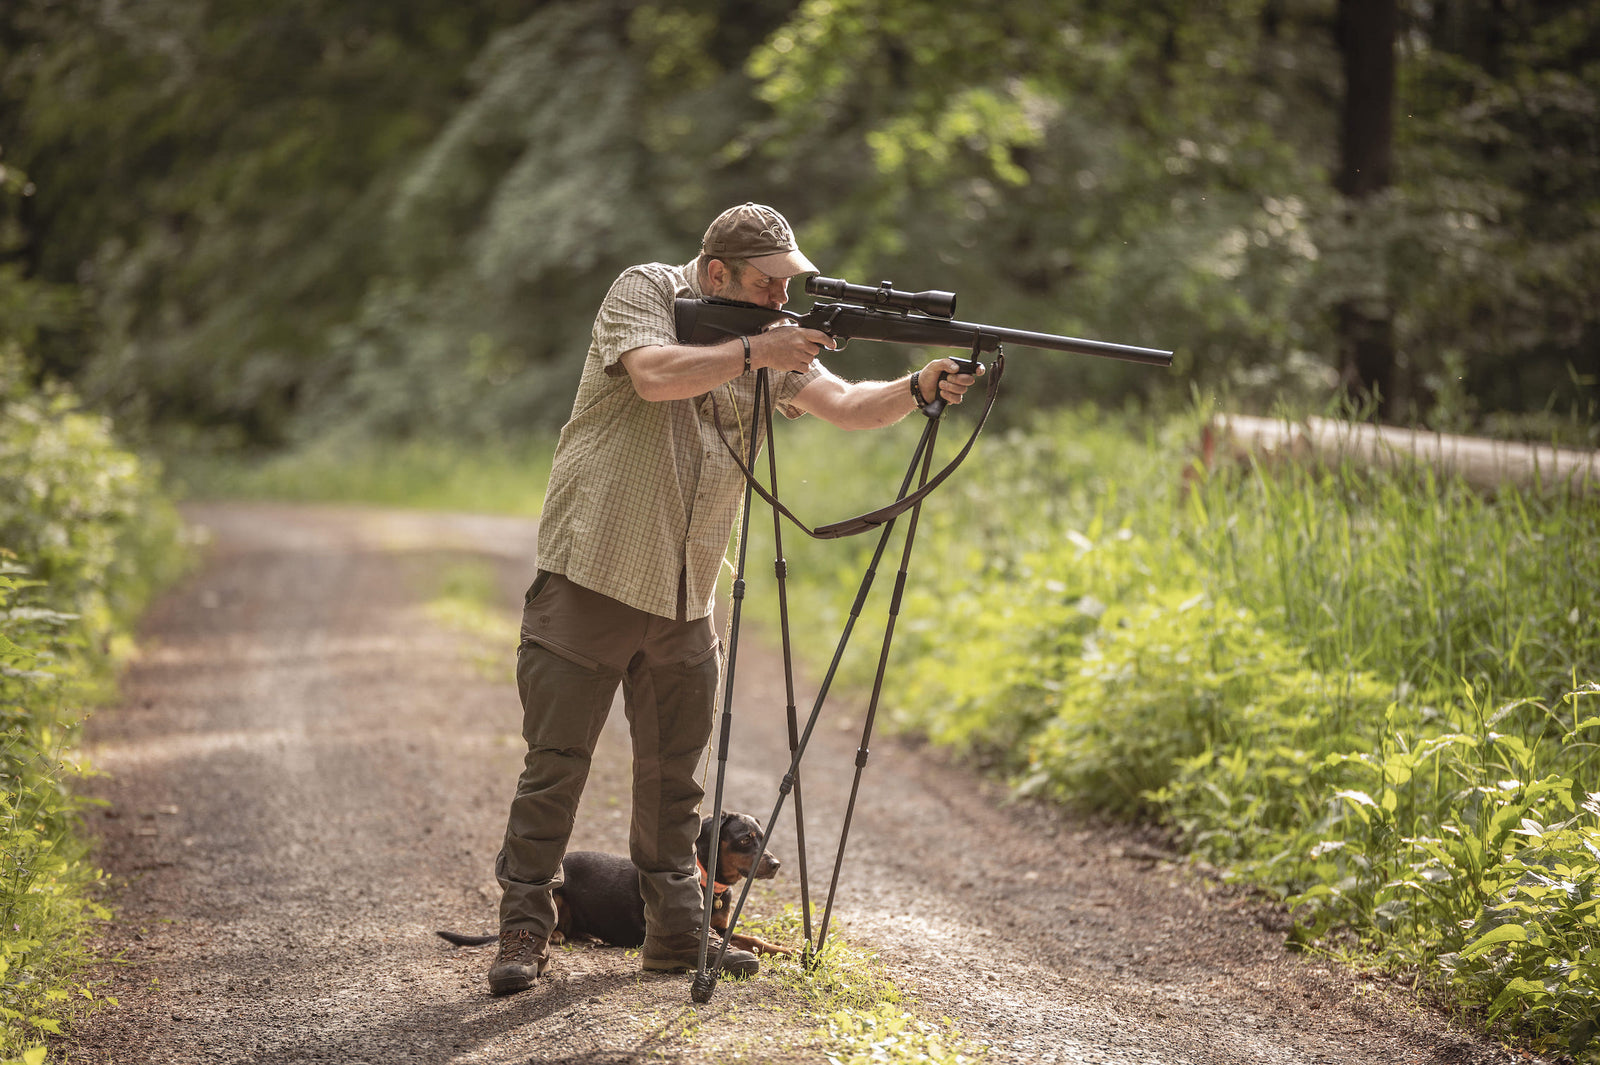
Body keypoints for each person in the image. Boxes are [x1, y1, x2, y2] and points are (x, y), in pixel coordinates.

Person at [488, 202, 979, 995]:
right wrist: (755, 349)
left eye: (788, 286)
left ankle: (677, 938)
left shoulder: (766, 337)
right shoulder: (645, 291)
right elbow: (651, 374)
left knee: (674, 780)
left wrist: (919, 385)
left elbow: (848, 404)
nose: (781, 300)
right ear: (717, 274)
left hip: (688, 595)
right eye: (765, 284)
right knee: (556, 766)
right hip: (594, 575)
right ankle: (522, 928)